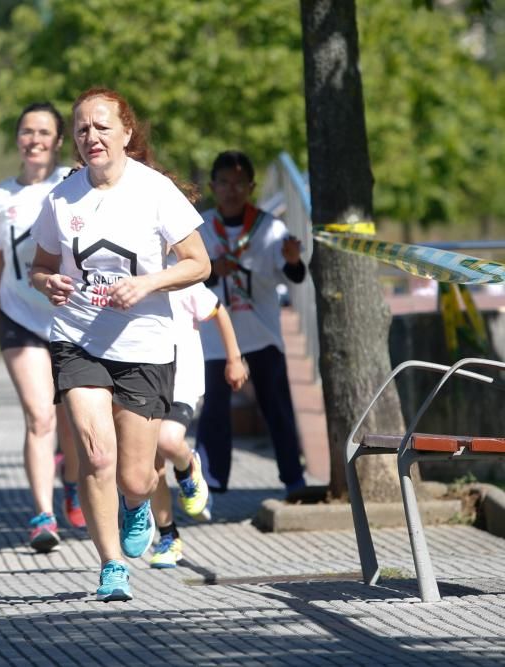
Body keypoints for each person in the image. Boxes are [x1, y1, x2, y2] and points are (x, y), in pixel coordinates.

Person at [29, 88, 210, 601]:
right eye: (83, 128)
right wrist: (49, 283)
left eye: (103, 126)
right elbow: (39, 267)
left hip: (145, 345)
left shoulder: (155, 191)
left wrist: (148, 284)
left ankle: (138, 503)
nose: (93, 137)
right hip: (77, 339)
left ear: (127, 133)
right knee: (95, 452)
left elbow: (200, 263)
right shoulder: (62, 198)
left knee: (134, 476)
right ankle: (111, 565)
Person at [0, 101, 85, 553]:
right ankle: (43, 515)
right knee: (40, 415)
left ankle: (74, 482)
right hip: (19, 315)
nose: (35, 140)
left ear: (58, 140)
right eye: (27, 131)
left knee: (72, 419)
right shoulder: (1, 197)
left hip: (70, 317)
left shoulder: (73, 185)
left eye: (44, 132)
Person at [195, 150, 307, 495]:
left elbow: (295, 276)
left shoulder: (269, 228)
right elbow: (189, 278)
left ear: (251, 187)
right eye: (225, 183)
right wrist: (214, 270)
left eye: (239, 183)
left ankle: (294, 479)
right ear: (213, 186)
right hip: (215, 338)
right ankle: (212, 482)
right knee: (213, 409)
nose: (232, 190)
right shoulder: (200, 228)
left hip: (262, 334)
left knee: (276, 406)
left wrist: (292, 260)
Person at [148, 283, 247, 568]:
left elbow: (219, 310)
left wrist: (234, 359)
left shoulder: (183, 278)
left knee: (167, 440)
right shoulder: (131, 272)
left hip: (182, 383)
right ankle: (168, 537)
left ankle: (187, 464)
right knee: (150, 467)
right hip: (144, 383)